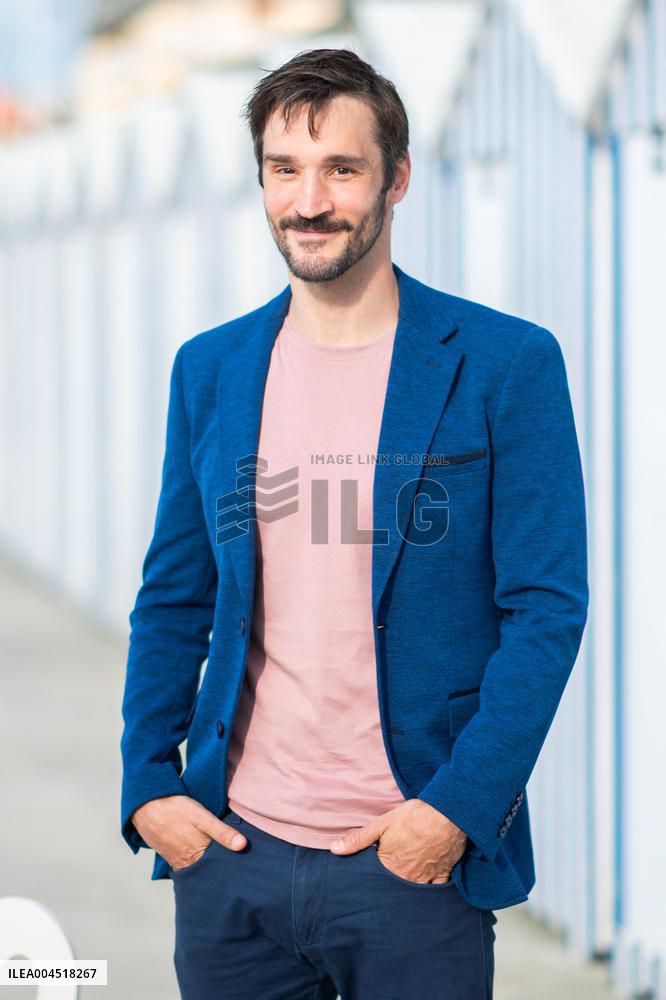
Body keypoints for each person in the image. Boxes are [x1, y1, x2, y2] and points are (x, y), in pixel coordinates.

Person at [120, 47, 588, 1000]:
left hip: (409, 865)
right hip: (234, 857)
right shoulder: (210, 369)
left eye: (341, 168)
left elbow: (546, 609)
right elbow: (174, 596)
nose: (310, 200)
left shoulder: (505, 364)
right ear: (261, 181)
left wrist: (454, 812)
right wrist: (147, 786)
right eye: (285, 169)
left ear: (396, 178)